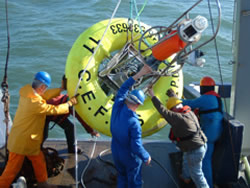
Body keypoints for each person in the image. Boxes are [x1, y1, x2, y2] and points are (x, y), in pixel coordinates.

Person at [0, 71, 79, 188]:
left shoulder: (28, 93)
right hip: (21, 143)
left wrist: (60, 89)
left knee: (39, 161)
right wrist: (69, 103)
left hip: (27, 141)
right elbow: (53, 110)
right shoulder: (35, 103)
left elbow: (45, 96)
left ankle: (43, 183)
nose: (45, 90)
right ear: (42, 86)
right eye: (45, 87)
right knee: (12, 169)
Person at [148, 86, 209, 188]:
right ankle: (185, 177)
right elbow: (177, 104)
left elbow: (163, 110)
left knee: (197, 175)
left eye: (172, 110)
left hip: (195, 149)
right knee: (186, 158)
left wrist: (153, 95)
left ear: (174, 109)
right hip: (198, 145)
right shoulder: (189, 112)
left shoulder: (179, 118)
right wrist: (173, 96)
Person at [110, 65, 152, 188]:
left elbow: (123, 88)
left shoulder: (117, 105)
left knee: (122, 177)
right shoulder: (134, 123)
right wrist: (146, 156)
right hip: (129, 156)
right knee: (134, 182)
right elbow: (136, 146)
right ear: (138, 104)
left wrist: (140, 73)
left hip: (116, 151)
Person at [181, 76, 224, 188]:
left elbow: (190, 103)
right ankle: (194, 178)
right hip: (216, 132)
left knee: (204, 160)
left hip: (209, 133)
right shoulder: (216, 98)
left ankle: (204, 184)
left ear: (203, 88)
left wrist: (175, 99)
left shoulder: (207, 98)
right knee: (206, 158)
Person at [43, 75, 100, 154]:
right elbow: (80, 118)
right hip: (45, 115)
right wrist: (91, 131)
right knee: (43, 135)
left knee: (70, 128)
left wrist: (90, 131)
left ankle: (72, 148)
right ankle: (37, 150)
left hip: (58, 116)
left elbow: (80, 118)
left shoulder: (72, 102)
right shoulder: (66, 103)